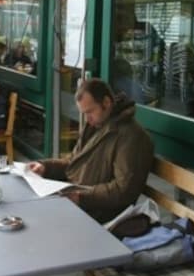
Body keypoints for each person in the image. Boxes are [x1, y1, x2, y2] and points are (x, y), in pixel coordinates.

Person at [27, 79, 154, 223]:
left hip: (99, 214)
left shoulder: (132, 136)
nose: (87, 119)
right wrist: (45, 167)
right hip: (78, 202)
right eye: (84, 113)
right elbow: (73, 162)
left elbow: (123, 190)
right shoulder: (96, 125)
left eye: (90, 112)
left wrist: (81, 197)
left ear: (106, 103)